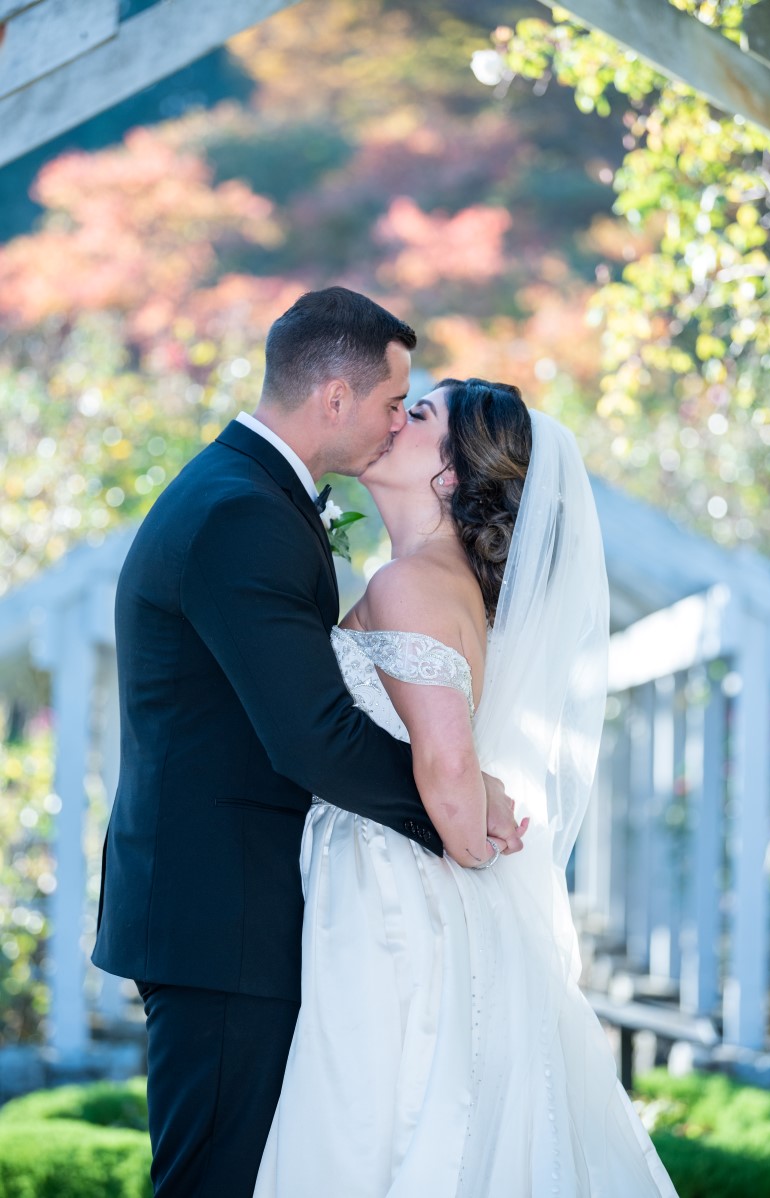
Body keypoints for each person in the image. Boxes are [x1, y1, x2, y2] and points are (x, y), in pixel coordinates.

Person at [91, 291, 520, 1198]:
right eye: (390, 401)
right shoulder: (243, 512)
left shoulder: (247, 494)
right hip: (223, 916)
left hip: (240, 911)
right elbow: (314, 736)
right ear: (333, 397)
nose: (396, 420)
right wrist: (455, 805)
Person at [255, 378, 679, 1196]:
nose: (395, 416)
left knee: (380, 1123)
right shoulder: (427, 578)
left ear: (450, 475)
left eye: (418, 414)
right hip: (394, 888)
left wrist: (471, 801)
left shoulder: (410, 585)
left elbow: (448, 790)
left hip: (389, 907)